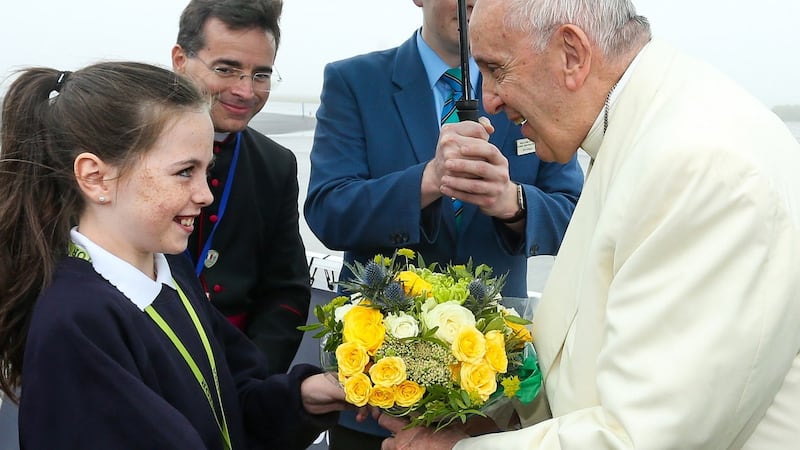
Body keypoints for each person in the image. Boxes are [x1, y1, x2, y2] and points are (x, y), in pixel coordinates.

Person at [377, 0, 800, 448]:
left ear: (572, 54)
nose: (489, 101)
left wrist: (456, 449)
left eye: (496, 69)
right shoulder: (648, 122)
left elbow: (644, 436)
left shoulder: (701, 165)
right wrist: (495, 417)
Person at [0, 62, 349, 449]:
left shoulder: (172, 273)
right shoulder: (76, 322)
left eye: (206, 170)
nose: (205, 194)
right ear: (96, 177)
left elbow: (233, 399)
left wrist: (304, 396)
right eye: (185, 172)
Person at [304, 0, 584, 447]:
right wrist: (427, 180)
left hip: (493, 402)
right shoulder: (354, 82)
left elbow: (578, 217)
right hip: (374, 393)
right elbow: (327, 211)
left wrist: (512, 202)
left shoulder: (535, 85)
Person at [171, 0, 310, 375]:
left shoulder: (276, 164)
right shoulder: (124, 149)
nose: (245, 91)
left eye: (260, 75)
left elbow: (286, 290)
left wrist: (250, 379)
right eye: (226, 69)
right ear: (180, 60)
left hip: (238, 375)